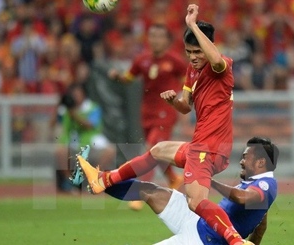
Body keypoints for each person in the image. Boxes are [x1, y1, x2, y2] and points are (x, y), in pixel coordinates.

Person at [77, 4, 247, 245]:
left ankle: (235, 241)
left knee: (196, 203)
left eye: (198, 51)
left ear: (208, 46)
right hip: (200, 145)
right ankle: (105, 179)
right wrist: (173, 101)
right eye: (189, 52)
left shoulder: (222, 67)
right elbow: (186, 106)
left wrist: (191, 25)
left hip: (209, 148)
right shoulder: (191, 71)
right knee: (157, 151)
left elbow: (215, 58)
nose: (193, 57)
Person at [76, 137, 279, 245]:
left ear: (261, 162)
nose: (242, 161)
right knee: (149, 191)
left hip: (203, 240)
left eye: (246, 157)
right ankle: (100, 182)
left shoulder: (266, 185)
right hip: (197, 218)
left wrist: (209, 181)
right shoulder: (258, 187)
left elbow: (243, 199)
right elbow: (261, 226)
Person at [108, 24, 187, 210]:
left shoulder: (175, 61)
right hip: (146, 113)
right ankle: (173, 179)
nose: (155, 40)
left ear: (167, 40)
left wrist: (184, 103)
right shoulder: (141, 60)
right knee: (158, 152)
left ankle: (139, 193)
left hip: (165, 112)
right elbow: (128, 78)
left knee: (152, 149)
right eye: (152, 35)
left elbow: (188, 84)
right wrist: (116, 76)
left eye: (159, 36)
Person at [54, 83, 115, 192]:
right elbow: (53, 124)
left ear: (84, 95)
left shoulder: (92, 107)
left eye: (78, 94)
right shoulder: (67, 109)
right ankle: (70, 182)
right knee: (60, 150)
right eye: (73, 95)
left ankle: (93, 179)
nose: (75, 97)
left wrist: (74, 114)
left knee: (110, 151)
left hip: (91, 143)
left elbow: (90, 124)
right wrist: (59, 107)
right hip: (73, 143)